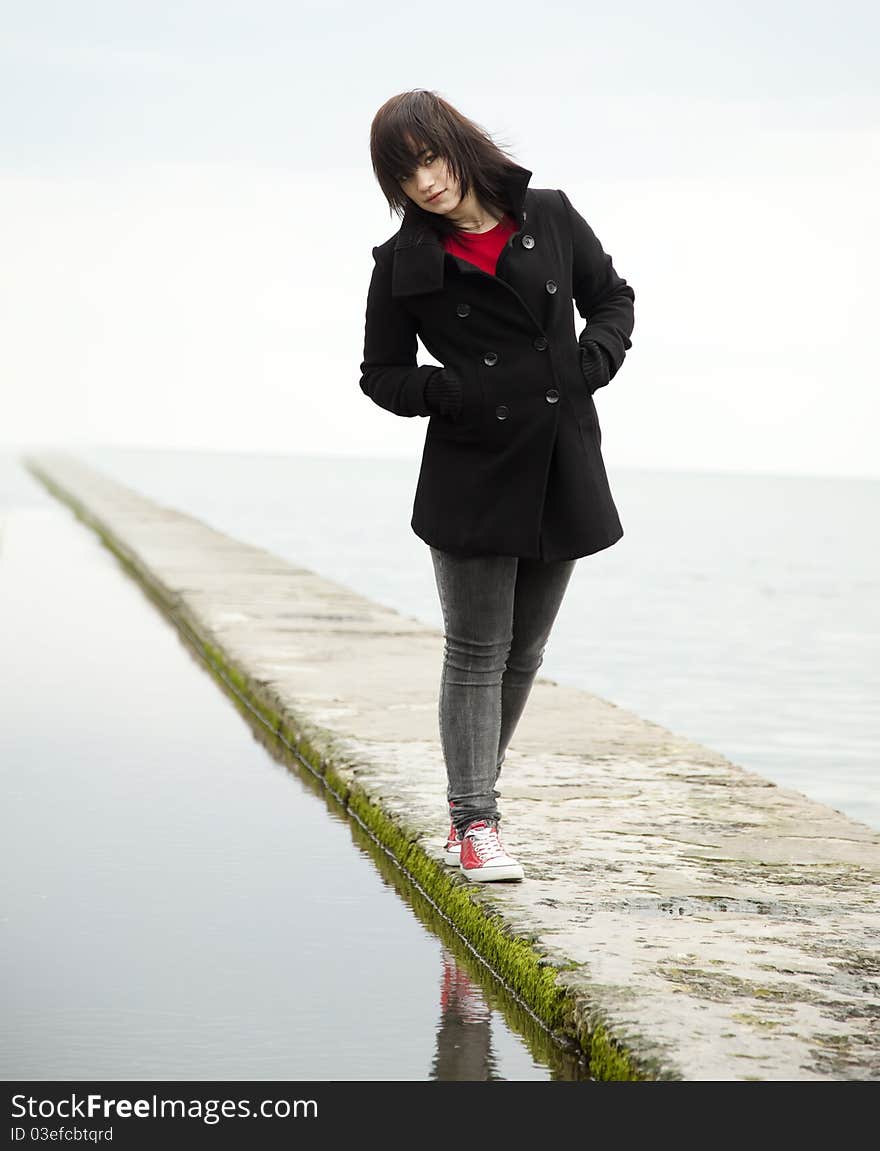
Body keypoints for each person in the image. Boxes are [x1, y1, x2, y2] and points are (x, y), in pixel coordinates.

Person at [359, 90, 635, 883]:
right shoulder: (402, 264)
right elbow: (381, 375)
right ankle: (475, 822)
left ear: (458, 147)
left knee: (525, 650)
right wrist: (452, 393)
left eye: (431, 157)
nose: (426, 181)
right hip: (472, 468)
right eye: (405, 172)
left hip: (561, 459)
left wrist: (593, 363)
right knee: (477, 650)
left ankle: (469, 807)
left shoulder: (548, 215)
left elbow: (612, 297)